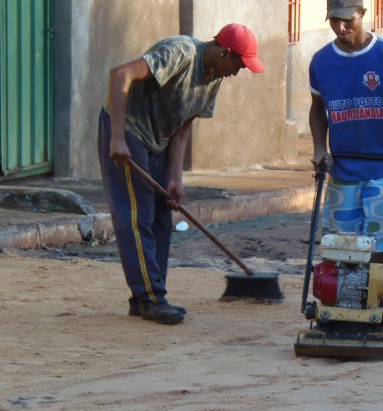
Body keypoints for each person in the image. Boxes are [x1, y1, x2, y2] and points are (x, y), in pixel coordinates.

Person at [98, 24, 265, 325]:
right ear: (224, 52)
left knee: (163, 212)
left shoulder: (214, 78)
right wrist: (117, 137)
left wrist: (175, 177)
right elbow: (119, 75)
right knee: (136, 215)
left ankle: (145, 295)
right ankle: (151, 298)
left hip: (159, 138)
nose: (238, 72)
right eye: (239, 65)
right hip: (128, 129)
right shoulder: (180, 53)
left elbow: (183, 126)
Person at [309, 0, 383, 309]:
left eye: (347, 20)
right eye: (334, 20)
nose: (341, 27)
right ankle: (345, 302)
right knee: (339, 244)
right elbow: (317, 109)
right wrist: (320, 149)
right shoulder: (321, 62)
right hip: (343, 170)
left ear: (362, 14)